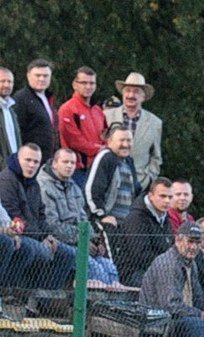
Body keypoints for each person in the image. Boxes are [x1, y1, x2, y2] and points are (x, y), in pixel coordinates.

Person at [0, 143, 77, 290]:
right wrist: (41, 238)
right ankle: (13, 294)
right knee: (29, 248)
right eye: (28, 160)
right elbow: (13, 216)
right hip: (18, 234)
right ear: (18, 158)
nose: (32, 165)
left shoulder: (33, 183)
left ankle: (43, 302)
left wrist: (47, 236)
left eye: (36, 162)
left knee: (67, 253)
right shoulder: (6, 180)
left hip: (34, 235)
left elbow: (41, 215)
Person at [36, 148, 120, 284]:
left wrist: (94, 241)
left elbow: (83, 220)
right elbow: (52, 225)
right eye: (65, 162)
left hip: (80, 241)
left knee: (109, 267)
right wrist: (83, 241)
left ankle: (114, 303)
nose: (69, 166)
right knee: (95, 269)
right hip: (60, 242)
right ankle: (96, 304)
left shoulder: (74, 187)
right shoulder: (43, 186)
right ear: (55, 164)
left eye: (72, 163)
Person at [103, 73, 162, 190]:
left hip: (138, 183)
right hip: (108, 179)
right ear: (122, 93)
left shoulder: (155, 123)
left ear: (143, 97)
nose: (131, 95)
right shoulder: (106, 116)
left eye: (136, 91)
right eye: (127, 91)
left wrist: (149, 178)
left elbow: (156, 156)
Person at [113, 176, 173, 286]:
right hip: (133, 273)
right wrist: (168, 265)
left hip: (159, 270)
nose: (167, 201)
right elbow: (140, 256)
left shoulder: (165, 218)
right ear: (151, 196)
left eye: (170, 197)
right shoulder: (136, 218)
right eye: (162, 196)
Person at [57, 67, 106, 188]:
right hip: (77, 170)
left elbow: (105, 135)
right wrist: (102, 149)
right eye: (84, 83)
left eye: (92, 83)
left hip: (97, 168)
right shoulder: (67, 109)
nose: (88, 87)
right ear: (75, 84)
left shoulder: (98, 110)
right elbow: (75, 141)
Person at [11, 60, 57, 161]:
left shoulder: (48, 98)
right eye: (38, 75)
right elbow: (17, 131)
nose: (42, 79)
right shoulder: (21, 99)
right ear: (28, 76)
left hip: (49, 159)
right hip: (31, 161)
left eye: (45, 76)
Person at [0, 67, 21, 162]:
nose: (6, 85)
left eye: (10, 82)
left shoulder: (10, 109)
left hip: (13, 167)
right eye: (2, 81)